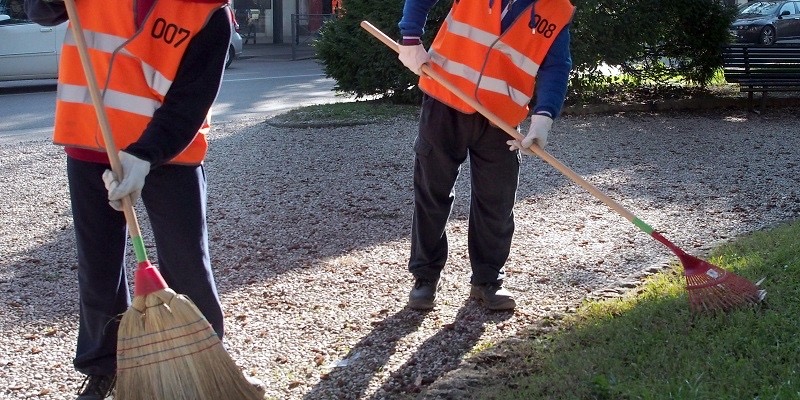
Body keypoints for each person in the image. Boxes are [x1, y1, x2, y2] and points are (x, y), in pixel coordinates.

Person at [24, 0, 263, 398]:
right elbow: (41, 12)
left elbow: (191, 99)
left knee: (187, 262)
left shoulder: (207, 11)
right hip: (91, 142)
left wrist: (145, 155)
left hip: (168, 154)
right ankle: (103, 366)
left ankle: (207, 362)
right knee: (98, 264)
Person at [397, 0, 574, 311]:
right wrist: (410, 37)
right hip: (445, 96)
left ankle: (487, 280)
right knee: (431, 192)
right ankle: (425, 278)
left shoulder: (557, 8)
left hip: (501, 118)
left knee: (497, 200)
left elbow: (556, 65)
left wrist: (544, 116)